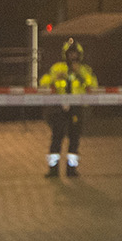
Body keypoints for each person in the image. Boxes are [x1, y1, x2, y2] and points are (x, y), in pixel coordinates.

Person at [39, 38, 95, 178]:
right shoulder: (57, 67)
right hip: (59, 108)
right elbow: (43, 82)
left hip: (77, 108)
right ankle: (53, 169)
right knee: (57, 137)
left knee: (74, 138)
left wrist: (80, 75)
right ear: (65, 54)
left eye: (75, 54)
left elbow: (93, 85)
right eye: (70, 54)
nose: (73, 56)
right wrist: (54, 79)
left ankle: (72, 169)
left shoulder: (84, 69)